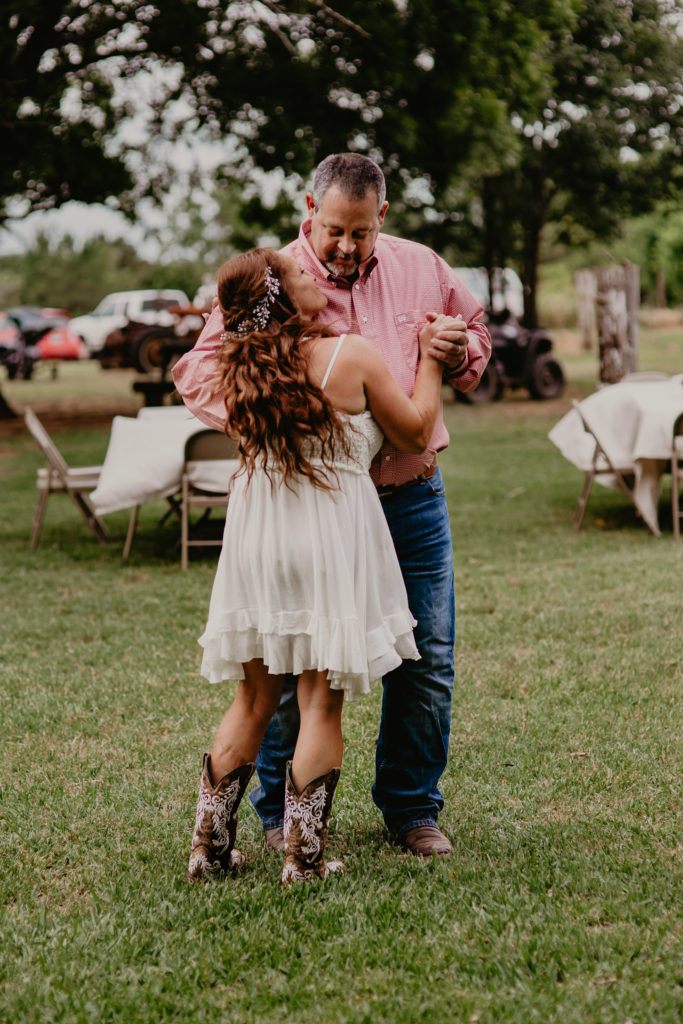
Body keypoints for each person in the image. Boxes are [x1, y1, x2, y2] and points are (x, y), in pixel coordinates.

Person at [173, 153, 491, 859]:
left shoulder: (423, 267)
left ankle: (410, 809)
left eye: (361, 233)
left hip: (402, 498)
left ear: (381, 218)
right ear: (307, 213)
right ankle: (287, 831)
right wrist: (279, 418)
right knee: (300, 678)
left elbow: (475, 343)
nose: (344, 250)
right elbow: (195, 370)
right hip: (313, 507)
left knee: (425, 660)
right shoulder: (270, 276)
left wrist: (457, 346)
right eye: (332, 234)